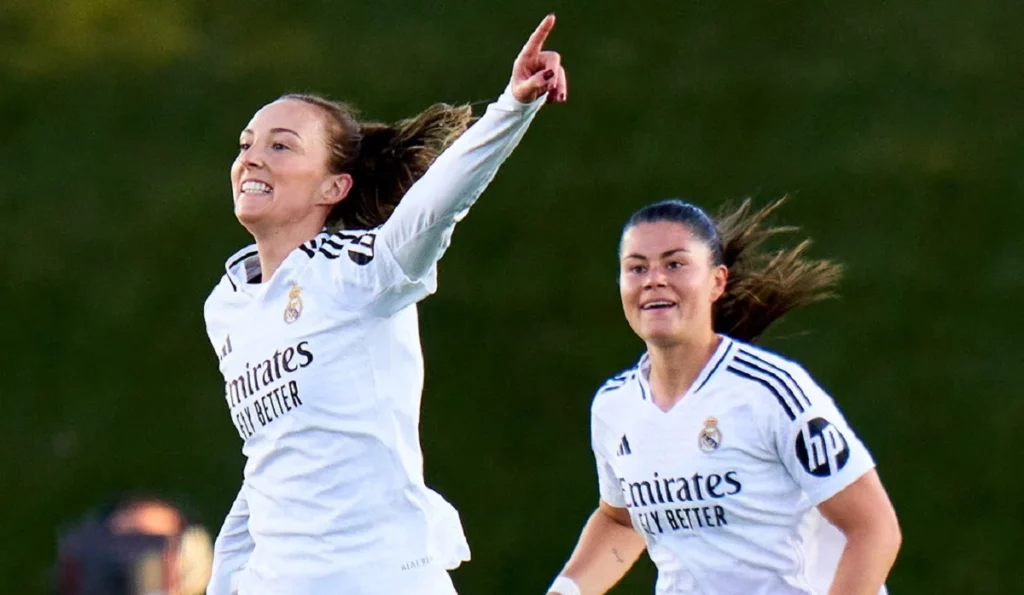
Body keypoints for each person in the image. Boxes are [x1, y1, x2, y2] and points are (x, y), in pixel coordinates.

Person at [202, 14, 567, 595]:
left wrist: (513, 105)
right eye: (247, 145)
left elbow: (435, 208)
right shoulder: (227, 306)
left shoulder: (359, 271)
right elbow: (270, 459)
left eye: (281, 146)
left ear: (333, 188)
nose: (252, 158)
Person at [545, 199, 901, 595]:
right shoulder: (615, 407)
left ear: (717, 281)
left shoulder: (771, 392)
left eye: (674, 264)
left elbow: (873, 528)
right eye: (637, 267)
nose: (654, 280)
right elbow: (621, 521)